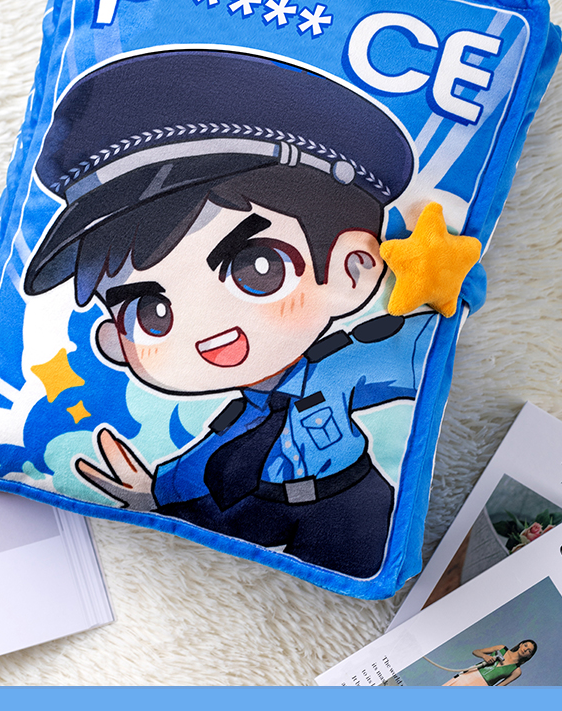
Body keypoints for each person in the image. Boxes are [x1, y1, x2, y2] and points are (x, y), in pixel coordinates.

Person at [24, 48, 437, 578]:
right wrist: (154, 492)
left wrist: (437, 281)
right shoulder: (236, 421)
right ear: (116, 342)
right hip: (261, 504)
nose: (207, 328)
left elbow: (414, 354)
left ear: (352, 270)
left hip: (346, 499)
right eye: (152, 311)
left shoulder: (340, 367)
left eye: (259, 268)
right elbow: (206, 460)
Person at [442, 640, 538, 686]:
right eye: (525, 645)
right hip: (471, 674)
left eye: (529, 650)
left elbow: (500, 686)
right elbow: (476, 651)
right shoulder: (501, 648)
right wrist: (485, 656)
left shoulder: (516, 671)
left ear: (529, 656)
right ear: (521, 644)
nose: (525, 649)